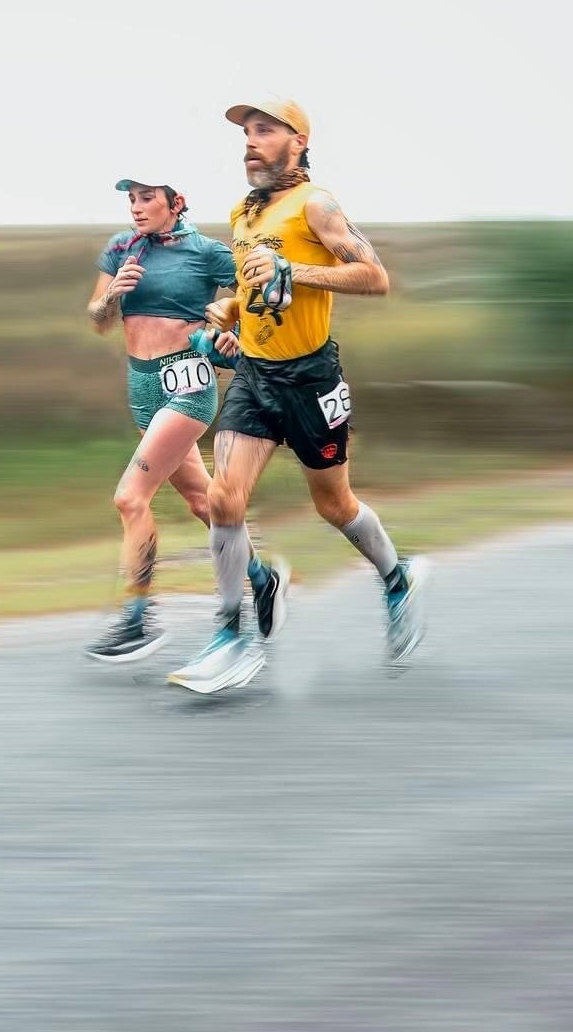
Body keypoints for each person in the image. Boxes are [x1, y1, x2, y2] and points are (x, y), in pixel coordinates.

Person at [166, 99, 431, 694]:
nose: (250, 141)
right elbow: (252, 286)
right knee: (224, 498)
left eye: (265, 130)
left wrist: (296, 271)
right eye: (246, 132)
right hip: (255, 376)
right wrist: (229, 311)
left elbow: (375, 277)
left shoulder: (317, 204)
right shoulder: (242, 214)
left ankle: (397, 579)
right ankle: (230, 636)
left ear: (299, 142)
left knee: (333, 505)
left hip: (312, 380)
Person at [82, 176, 282, 663]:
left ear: (176, 203)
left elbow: (255, 301)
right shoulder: (121, 247)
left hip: (187, 382)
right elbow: (98, 320)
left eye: (147, 197)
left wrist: (233, 336)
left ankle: (137, 620)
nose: (136, 207)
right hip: (142, 386)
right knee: (201, 501)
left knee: (130, 498)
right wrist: (112, 297)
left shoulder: (206, 252)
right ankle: (261, 577)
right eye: (131, 199)